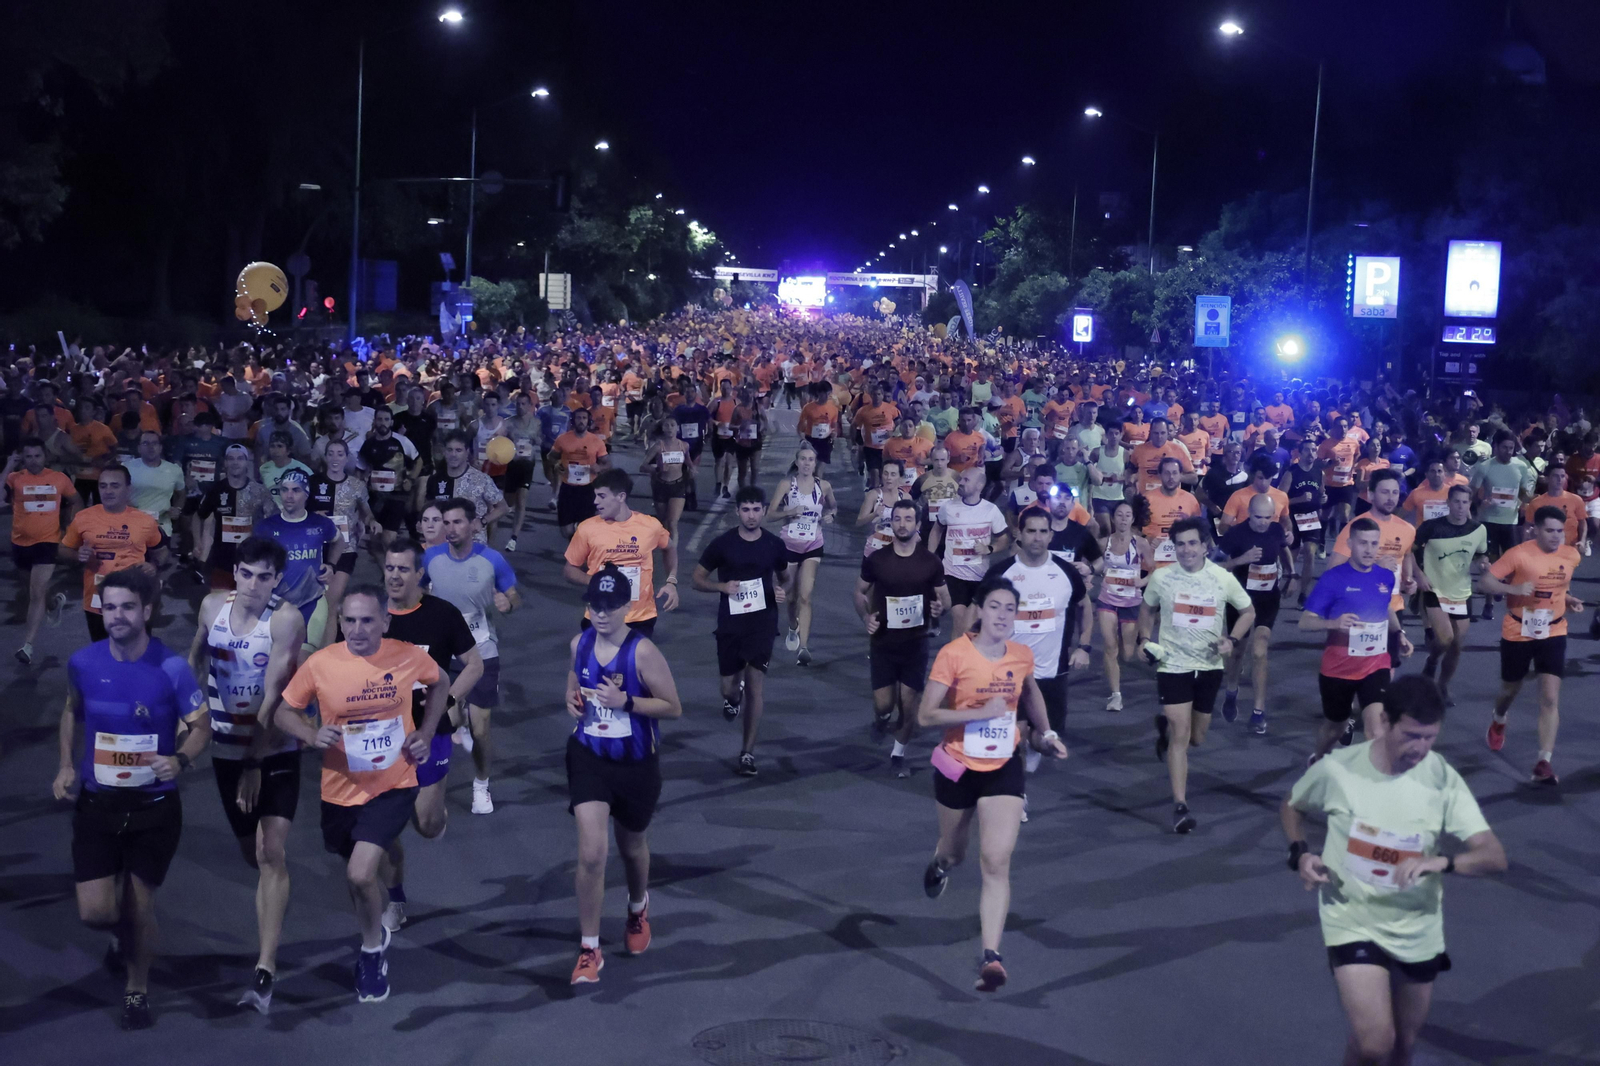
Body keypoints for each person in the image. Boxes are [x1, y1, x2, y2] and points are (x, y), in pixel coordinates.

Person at [1282, 675, 1506, 1066]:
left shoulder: (1441, 778)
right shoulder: (1338, 770)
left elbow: (1493, 855)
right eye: (1411, 735)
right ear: (1384, 722)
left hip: (1417, 926)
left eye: (1430, 737)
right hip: (1351, 916)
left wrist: (1444, 861)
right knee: (1375, 1043)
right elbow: (1292, 806)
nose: (1420, 748)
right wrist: (1301, 853)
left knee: (1402, 1047)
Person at [268, 585, 449, 1003]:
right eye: (349, 620)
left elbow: (441, 683)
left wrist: (424, 733)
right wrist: (312, 735)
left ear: (385, 622)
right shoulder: (321, 664)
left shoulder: (407, 655)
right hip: (340, 789)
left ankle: (372, 951)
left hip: (395, 782)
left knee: (360, 873)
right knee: (357, 873)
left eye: (367, 620)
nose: (356, 628)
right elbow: (282, 712)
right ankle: (378, 921)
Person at [53, 568, 210, 1030]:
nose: (116, 616)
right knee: (97, 913)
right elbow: (70, 710)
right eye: (109, 606)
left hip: (153, 808)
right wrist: (66, 763)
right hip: (98, 805)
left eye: (126, 607)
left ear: (147, 610)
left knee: (139, 907)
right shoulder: (83, 662)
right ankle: (124, 935)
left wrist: (180, 759)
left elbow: (201, 726)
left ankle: (136, 989)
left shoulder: (172, 669)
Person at [917, 577, 1067, 992]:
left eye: (1010, 609)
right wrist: (977, 712)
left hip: (1003, 766)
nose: (1003, 616)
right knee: (955, 853)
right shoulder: (954, 655)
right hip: (958, 766)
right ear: (980, 610)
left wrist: (1047, 734)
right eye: (996, 607)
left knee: (996, 861)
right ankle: (939, 863)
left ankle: (991, 956)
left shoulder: (1020, 655)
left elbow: (1031, 692)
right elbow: (926, 716)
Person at [185, 537, 305, 1014]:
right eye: (247, 574)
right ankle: (273, 894)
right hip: (224, 748)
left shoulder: (285, 620)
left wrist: (256, 762)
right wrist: (184, 715)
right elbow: (194, 659)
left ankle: (265, 967)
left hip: (273, 747)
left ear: (277, 580)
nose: (254, 585)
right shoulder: (211, 605)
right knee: (249, 852)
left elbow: (274, 698)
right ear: (235, 572)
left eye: (264, 577)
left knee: (269, 850)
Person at [564, 565, 684, 985]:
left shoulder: (643, 652)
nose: (601, 614)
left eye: (611, 607)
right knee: (593, 852)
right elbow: (572, 687)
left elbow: (673, 706)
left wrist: (627, 702)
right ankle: (589, 949)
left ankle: (637, 909)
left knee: (632, 846)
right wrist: (573, 702)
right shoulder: (579, 643)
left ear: (627, 607)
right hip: (589, 758)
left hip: (636, 765)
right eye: (595, 605)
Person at [378, 539, 483, 929]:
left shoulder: (441, 614)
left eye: (403, 569)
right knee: (383, 826)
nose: (394, 576)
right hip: (382, 734)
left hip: (429, 730)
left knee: (426, 825)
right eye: (389, 568)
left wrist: (450, 698)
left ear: (420, 574)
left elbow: (474, 665)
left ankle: (435, 813)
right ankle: (395, 899)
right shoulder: (371, 616)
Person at [1138, 516, 1254, 833]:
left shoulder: (1221, 578)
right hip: (1172, 665)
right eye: (1180, 544)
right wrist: (1144, 639)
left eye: (1192, 543)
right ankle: (1180, 805)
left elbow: (1248, 612)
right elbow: (1147, 608)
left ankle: (1167, 731)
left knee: (1196, 738)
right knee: (1180, 735)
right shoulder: (1162, 578)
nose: (1186, 550)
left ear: (1205, 546)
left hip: (1209, 666)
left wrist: (1231, 639)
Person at [425, 499, 519, 814]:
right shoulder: (431, 558)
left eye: (456, 522)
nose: (449, 529)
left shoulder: (493, 560)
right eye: (445, 523)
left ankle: (481, 785)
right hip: (441, 651)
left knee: (481, 728)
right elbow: (416, 592)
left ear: (473, 524)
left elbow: (513, 595)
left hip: (481, 649)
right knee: (446, 721)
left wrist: (508, 605)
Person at [1480, 506, 1582, 784]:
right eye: (1549, 530)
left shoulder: (1571, 555)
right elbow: (1486, 582)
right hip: (1519, 630)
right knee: (1510, 688)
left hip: (1554, 629)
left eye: (1560, 531)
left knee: (1549, 698)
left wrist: (1569, 599)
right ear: (1535, 530)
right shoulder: (1519, 554)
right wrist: (1512, 589)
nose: (1556, 536)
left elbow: (1559, 586)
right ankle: (1499, 717)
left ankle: (1543, 762)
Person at [692, 486, 789, 775]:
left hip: (763, 621)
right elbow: (697, 579)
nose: (751, 515)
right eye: (745, 510)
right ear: (737, 512)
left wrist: (781, 591)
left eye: (756, 509)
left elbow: (785, 577)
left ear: (764, 511)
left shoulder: (773, 544)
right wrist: (721, 587)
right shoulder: (723, 544)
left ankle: (747, 753)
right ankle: (733, 697)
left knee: (756, 687)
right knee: (729, 688)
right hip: (731, 622)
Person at [988, 508, 1092, 774]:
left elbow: (1084, 605)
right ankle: (1017, 794)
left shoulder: (1066, 572)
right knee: (1017, 736)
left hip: (1052, 672)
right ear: (1020, 534)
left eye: (1042, 531)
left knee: (1046, 740)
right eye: (1031, 531)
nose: (1037, 537)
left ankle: (1034, 755)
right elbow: (976, 616)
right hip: (1010, 674)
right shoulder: (1001, 574)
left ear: (1051, 535)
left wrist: (1084, 646)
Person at [1301, 518, 1413, 762]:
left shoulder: (1385, 577)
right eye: (1363, 543)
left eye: (1374, 544)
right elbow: (1305, 622)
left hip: (1375, 664)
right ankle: (1319, 757)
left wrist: (1399, 633)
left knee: (1376, 730)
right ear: (1350, 543)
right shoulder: (1332, 579)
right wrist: (1333, 623)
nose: (1369, 549)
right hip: (1338, 669)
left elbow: (1386, 608)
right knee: (1336, 728)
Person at [857, 498, 950, 776]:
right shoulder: (877, 559)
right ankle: (881, 718)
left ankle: (898, 753)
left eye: (908, 519)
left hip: (916, 643)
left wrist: (939, 608)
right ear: (891, 522)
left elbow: (944, 598)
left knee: (909, 705)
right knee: (884, 703)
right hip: (884, 642)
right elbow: (859, 592)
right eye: (897, 519)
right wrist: (866, 617)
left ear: (918, 524)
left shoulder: (930, 562)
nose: (902, 524)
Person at [1217, 492, 1295, 734]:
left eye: (1267, 517)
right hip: (1239, 601)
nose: (1263, 522)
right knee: (1238, 652)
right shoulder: (1235, 534)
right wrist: (1242, 559)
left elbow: (1283, 550)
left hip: (1268, 599)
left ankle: (1258, 712)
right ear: (1249, 514)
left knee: (1260, 650)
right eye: (1258, 517)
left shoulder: (1275, 530)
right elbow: (1215, 565)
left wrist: (1292, 574)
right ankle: (1231, 691)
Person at [60, 464, 163, 641]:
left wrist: (153, 565)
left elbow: (161, 550)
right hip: (97, 599)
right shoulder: (83, 517)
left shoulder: (145, 521)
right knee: (103, 654)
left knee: (136, 653)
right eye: (103, 485)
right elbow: (62, 549)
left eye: (115, 485)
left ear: (128, 489)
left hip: (135, 597)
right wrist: (78, 556)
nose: (108, 491)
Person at [1413, 484, 1487, 705]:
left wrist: (1483, 563)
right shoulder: (1430, 527)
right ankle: (1432, 660)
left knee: (1456, 646)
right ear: (1448, 503)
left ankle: (1442, 686)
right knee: (1445, 638)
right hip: (1434, 588)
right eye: (1456, 502)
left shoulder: (1478, 530)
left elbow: (1480, 555)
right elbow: (1410, 552)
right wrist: (1418, 575)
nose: (1461, 507)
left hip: (1461, 592)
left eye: (1465, 502)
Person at [5, 438, 78, 663]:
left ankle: (27, 646)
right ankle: (54, 604)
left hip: (47, 543)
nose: (34, 461)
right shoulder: (14, 478)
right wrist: (8, 466)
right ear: (22, 458)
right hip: (20, 544)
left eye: (38, 456)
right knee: (33, 591)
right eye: (29, 456)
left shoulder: (59, 479)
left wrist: (72, 528)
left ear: (45, 456)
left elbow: (75, 500)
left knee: (36, 594)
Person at [253, 469, 344, 647]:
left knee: (306, 658)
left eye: (296, 490)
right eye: (284, 489)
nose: (289, 495)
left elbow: (339, 541)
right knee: (276, 656)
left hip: (312, 603)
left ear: (306, 494)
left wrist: (331, 565)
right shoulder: (265, 527)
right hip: (275, 603)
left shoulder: (320, 524)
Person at [770, 442, 836, 664]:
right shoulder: (786, 485)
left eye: (811, 460)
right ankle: (792, 626)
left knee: (806, 596)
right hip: (789, 545)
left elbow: (833, 507)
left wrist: (831, 515)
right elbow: (770, 514)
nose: (807, 463)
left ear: (815, 463)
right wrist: (789, 511)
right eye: (803, 459)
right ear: (797, 462)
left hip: (812, 545)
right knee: (790, 598)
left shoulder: (823, 486)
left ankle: (804, 648)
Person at [927, 466, 1010, 639]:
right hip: (953, 573)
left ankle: (967, 657)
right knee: (959, 618)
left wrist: (989, 549)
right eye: (961, 479)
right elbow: (936, 530)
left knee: (971, 625)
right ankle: (956, 662)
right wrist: (931, 556)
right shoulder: (948, 507)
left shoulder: (990, 511)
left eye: (966, 480)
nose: (961, 483)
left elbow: (1004, 539)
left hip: (979, 576)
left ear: (979, 485)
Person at [1468, 430, 1534, 620]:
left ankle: (1512, 602)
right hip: (1488, 522)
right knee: (1490, 565)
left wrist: (1528, 500)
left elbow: (1523, 493)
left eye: (1511, 448)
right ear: (1495, 447)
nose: (1507, 451)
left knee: (1513, 565)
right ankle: (1488, 604)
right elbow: (1471, 493)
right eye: (1504, 447)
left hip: (1510, 523)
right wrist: (1481, 504)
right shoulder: (1485, 467)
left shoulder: (1521, 467)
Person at [1094, 497, 1150, 712]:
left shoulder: (1140, 543)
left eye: (1128, 516)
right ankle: (1115, 695)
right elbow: (1097, 564)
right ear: (1113, 518)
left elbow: (1154, 570)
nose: (1123, 519)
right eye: (1119, 515)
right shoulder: (1103, 543)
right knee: (1110, 647)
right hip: (1107, 599)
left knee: (1127, 654)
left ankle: (1137, 639)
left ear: (1133, 519)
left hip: (1131, 601)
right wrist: (1090, 573)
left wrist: (1143, 581)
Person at [193, 444, 270, 589]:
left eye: (240, 458)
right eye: (231, 458)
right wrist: (197, 542)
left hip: (252, 562)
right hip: (221, 561)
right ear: (225, 462)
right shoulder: (216, 490)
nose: (235, 462)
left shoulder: (259, 491)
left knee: (248, 606)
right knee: (219, 606)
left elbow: (274, 520)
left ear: (247, 462)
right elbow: (198, 516)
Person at [414, 430, 509, 545]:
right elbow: (430, 511)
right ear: (444, 452)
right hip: (443, 545)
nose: (453, 455)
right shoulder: (434, 480)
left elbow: (503, 507)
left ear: (467, 452)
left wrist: (483, 521)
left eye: (458, 450)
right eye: (450, 450)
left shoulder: (481, 479)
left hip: (474, 544)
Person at [357, 406, 422, 558]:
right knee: (375, 542)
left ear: (391, 422)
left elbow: (418, 461)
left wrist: (411, 479)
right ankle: (387, 575)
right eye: (379, 419)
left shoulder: (402, 442)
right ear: (374, 422)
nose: (383, 423)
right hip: (375, 497)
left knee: (388, 537)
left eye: (386, 419)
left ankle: (397, 568)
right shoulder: (368, 444)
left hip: (396, 496)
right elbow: (360, 469)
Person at [641, 415, 694, 545]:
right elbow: (643, 466)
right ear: (662, 428)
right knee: (664, 521)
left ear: (678, 428)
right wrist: (657, 469)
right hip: (661, 486)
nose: (670, 428)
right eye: (666, 425)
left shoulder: (684, 445)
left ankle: (672, 552)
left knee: (672, 522)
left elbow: (688, 460)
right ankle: (666, 548)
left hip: (678, 485)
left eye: (672, 425)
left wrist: (692, 468)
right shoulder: (658, 446)